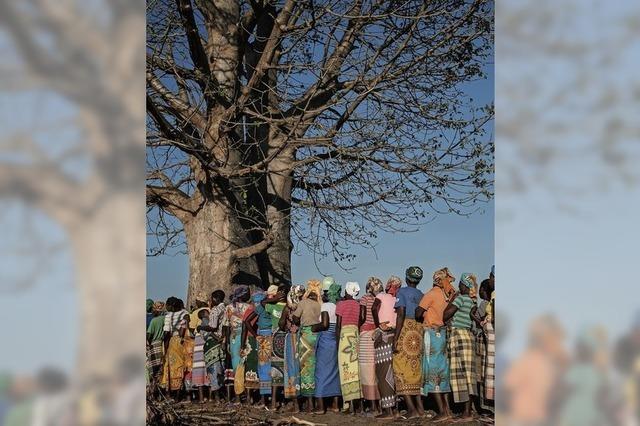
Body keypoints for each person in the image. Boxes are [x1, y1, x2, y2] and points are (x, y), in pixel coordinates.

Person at [415, 267, 454, 422]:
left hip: (431, 333)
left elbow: (418, 312)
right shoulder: (446, 296)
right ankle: (447, 409)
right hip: (442, 334)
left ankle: (442, 411)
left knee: (432, 371)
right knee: (442, 370)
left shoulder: (431, 294)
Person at [443, 273, 480, 421]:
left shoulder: (460, 299)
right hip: (468, 337)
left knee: (459, 374)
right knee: (469, 374)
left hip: (459, 337)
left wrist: (451, 299)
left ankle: (466, 412)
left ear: (463, 286)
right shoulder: (472, 301)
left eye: (460, 284)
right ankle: (468, 410)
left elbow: (445, 315)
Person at [392, 266, 425, 419]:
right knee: (415, 369)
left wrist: (395, 339)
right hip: (417, 332)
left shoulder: (402, 293)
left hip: (405, 330)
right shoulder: (421, 295)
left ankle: (411, 409)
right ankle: (420, 408)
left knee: (400, 369)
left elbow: (401, 314)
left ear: (406, 278)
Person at [372, 275, 401, 419]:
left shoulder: (381, 296)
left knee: (383, 373)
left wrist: (378, 324)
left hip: (383, 337)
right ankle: (394, 409)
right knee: (391, 372)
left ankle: (388, 410)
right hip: (394, 336)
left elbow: (373, 307)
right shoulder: (397, 299)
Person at [292, 280, 322, 412]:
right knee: (316, 365)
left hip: (305, 336)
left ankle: (309, 402)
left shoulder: (303, 303)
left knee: (306, 367)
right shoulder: (320, 304)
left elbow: (295, 318)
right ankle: (317, 399)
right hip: (318, 335)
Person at [314, 277, 341, 414]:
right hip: (336, 341)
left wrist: (314, 327)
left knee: (321, 373)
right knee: (335, 373)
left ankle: (320, 406)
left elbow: (324, 324)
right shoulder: (338, 306)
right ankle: (335, 405)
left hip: (325, 342)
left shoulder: (325, 306)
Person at [335, 281, 364, 414]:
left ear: (346, 291)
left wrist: (337, 342)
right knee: (356, 369)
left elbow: (338, 325)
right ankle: (358, 404)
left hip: (344, 338)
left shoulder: (341, 304)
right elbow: (360, 320)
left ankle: (349, 404)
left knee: (345, 369)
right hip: (355, 336)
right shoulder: (358, 305)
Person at [221, 285, 251, 401]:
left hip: (234, 338)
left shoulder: (229, 307)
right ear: (242, 294)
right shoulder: (250, 307)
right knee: (244, 366)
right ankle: (244, 394)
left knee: (236, 365)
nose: (248, 295)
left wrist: (226, 341)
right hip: (246, 337)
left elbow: (226, 326)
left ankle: (238, 395)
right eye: (247, 293)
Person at [197, 290, 226, 404]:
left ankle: (217, 398)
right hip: (223, 341)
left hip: (213, 343)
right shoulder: (226, 308)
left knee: (213, 369)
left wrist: (201, 327)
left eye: (211, 298)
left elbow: (213, 327)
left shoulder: (215, 310)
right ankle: (221, 396)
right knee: (221, 369)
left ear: (215, 299)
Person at [359, 277, 382, 414]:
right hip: (377, 333)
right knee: (376, 368)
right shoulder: (380, 299)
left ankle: (372, 405)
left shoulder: (364, 298)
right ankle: (379, 404)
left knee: (367, 369)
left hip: (366, 334)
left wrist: (358, 327)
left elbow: (362, 316)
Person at [280, 285, 305, 410]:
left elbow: (281, 324)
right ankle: (306, 401)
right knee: (303, 368)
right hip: (304, 339)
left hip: (291, 339)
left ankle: (295, 404)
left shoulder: (288, 308)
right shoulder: (304, 305)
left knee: (291, 368)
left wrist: (286, 327)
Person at [263, 285, 288, 410]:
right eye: (280, 292)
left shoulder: (289, 307)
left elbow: (263, 302)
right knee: (281, 368)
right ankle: (277, 401)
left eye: (283, 292)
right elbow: (263, 303)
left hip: (281, 338)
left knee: (278, 369)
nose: (281, 294)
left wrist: (273, 299)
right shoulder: (289, 306)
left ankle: (275, 402)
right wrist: (274, 299)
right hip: (282, 340)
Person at [161, 298, 190, 399]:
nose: (167, 308)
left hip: (174, 342)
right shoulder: (185, 313)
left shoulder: (169, 316)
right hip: (185, 342)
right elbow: (185, 327)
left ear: (172, 306)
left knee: (171, 367)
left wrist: (165, 347)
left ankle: (170, 394)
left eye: (167, 306)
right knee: (182, 366)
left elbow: (166, 332)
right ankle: (180, 393)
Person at [146, 301, 166, 392]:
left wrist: (147, 342)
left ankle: (154, 391)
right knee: (161, 369)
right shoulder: (165, 318)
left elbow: (149, 334)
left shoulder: (154, 320)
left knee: (153, 370)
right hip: (163, 344)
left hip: (154, 345)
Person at [191, 308, 210, 403]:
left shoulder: (198, 326)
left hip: (198, 352)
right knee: (208, 372)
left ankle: (202, 398)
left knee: (199, 372)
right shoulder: (206, 323)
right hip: (204, 349)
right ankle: (210, 397)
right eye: (207, 312)